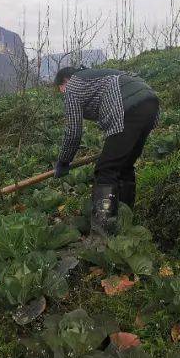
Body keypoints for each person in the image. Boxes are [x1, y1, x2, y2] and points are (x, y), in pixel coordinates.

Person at [53, 67, 160, 236]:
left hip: (127, 108)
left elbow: (73, 131)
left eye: (61, 90)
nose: (63, 94)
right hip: (150, 103)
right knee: (124, 166)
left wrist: (64, 161)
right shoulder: (97, 76)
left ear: (64, 82)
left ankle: (102, 231)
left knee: (105, 170)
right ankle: (125, 224)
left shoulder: (72, 85)